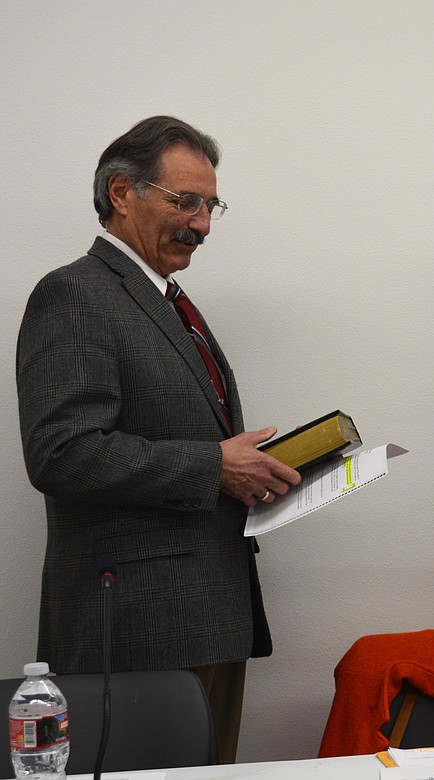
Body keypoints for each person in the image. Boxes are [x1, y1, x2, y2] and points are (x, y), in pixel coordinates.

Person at [16, 116, 301, 762]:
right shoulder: (75, 295)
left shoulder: (171, 303)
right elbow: (61, 450)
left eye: (210, 205)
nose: (201, 223)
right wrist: (214, 466)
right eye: (185, 202)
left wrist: (258, 477)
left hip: (207, 620)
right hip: (138, 632)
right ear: (122, 193)